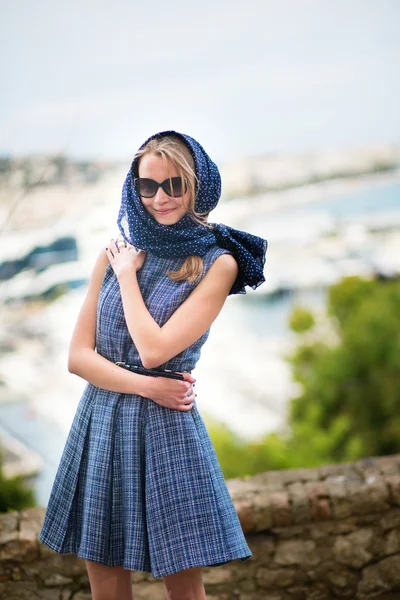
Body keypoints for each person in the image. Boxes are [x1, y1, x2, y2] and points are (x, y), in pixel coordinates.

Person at [39, 130, 267, 600]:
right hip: (101, 423)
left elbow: (154, 351)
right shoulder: (115, 252)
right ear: (134, 187)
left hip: (167, 432)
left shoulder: (217, 262)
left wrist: (127, 279)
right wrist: (147, 388)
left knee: (184, 588)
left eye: (173, 185)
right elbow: (78, 358)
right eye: (148, 186)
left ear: (196, 185)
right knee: (104, 581)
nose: (160, 198)